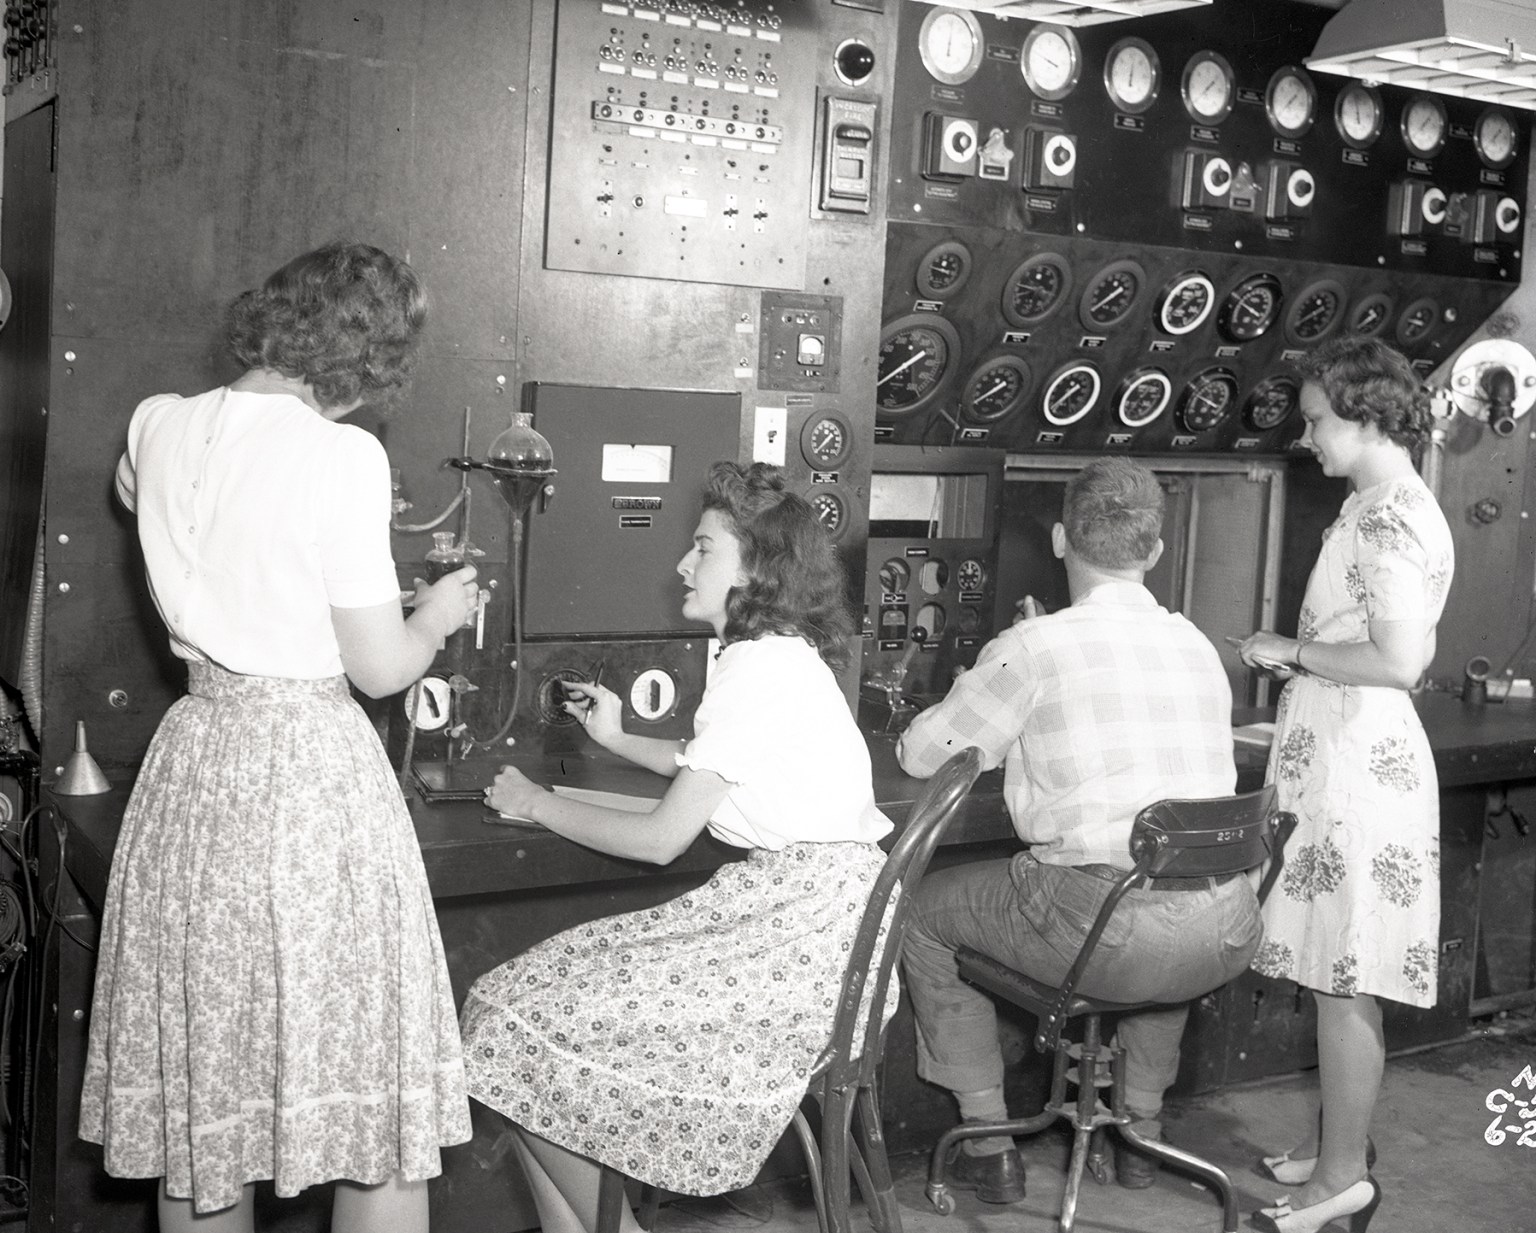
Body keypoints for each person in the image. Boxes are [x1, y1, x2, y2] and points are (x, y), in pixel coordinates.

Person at [79, 242, 479, 1233]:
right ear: (369, 364)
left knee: (206, 1111)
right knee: (370, 1101)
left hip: (198, 759)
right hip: (308, 779)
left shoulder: (160, 423)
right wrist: (433, 617)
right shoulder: (341, 454)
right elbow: (381, 669)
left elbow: (140, 491)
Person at [459, 461, 894, 1233]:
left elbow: (663, 838)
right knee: (513, 1025)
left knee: (505, 1021)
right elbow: (708, 763)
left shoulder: (759, 670)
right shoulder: (777, 657)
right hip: (820, 926)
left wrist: (537, 802)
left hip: (800, 944)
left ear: (756, 568)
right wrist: (619, 740)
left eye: (703, 548)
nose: (682, 564)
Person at [896, 455, 1262, 1202]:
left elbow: (922, 752)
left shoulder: (1036, 648)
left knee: (918, 911)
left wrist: (1008, 662)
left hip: (1106, 931)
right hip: (1226, 925)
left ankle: (989, 1143)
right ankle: (1142, 1137)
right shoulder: (1197, 645)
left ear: (1062, 539)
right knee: (1169, 899)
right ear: (1155, 552)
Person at [1237, 336, 1452, 1233]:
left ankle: (1337, 1183)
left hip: (1359, 771)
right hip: (1343, 756)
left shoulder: (1387, 516)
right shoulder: (1380, 502)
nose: (1309, 435)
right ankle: (1339, 1148)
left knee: (1343, 979)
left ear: (1364, 415)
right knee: (1336, 971)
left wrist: (1292, 652)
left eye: (1319, 419)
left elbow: (1402, 660)